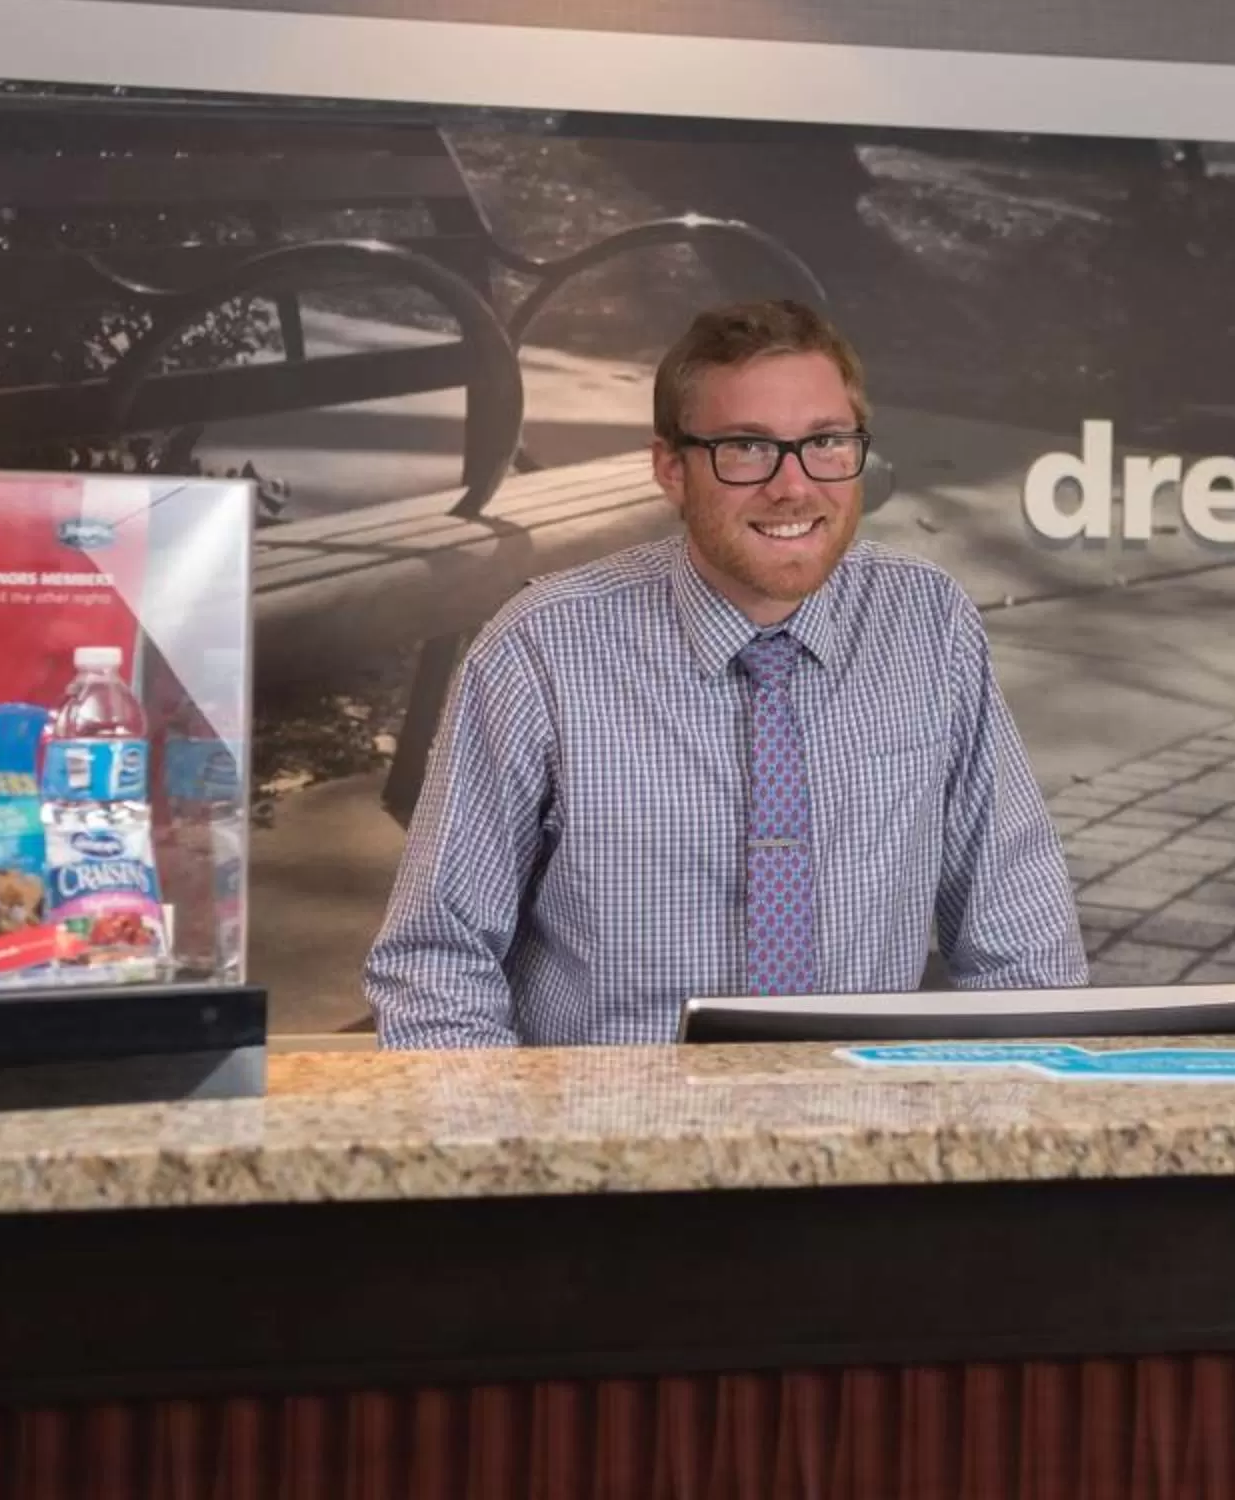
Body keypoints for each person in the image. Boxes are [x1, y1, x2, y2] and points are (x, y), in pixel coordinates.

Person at [365, 299, 1088, 1047]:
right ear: (670, 469)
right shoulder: (541, 652)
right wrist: (522, 1154)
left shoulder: (926, 625)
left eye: (827, 443)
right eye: (746, 448)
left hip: (859, 1133)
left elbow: (1023, 950)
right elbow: (437, 964)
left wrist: (1017, 1127)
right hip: (614, 1139)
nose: (793, 486)